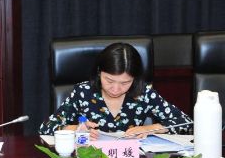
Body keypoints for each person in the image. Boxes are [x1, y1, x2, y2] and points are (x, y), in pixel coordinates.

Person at [39, 42, 193, 139]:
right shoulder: (83, 92)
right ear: (99, 72)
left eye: (125, 83)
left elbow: (187, 123)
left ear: (135, 79)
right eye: (109, 80)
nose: (116, 89)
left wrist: (151, 128)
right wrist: (75, 129)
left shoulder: (144, 93)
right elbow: (46, 127)